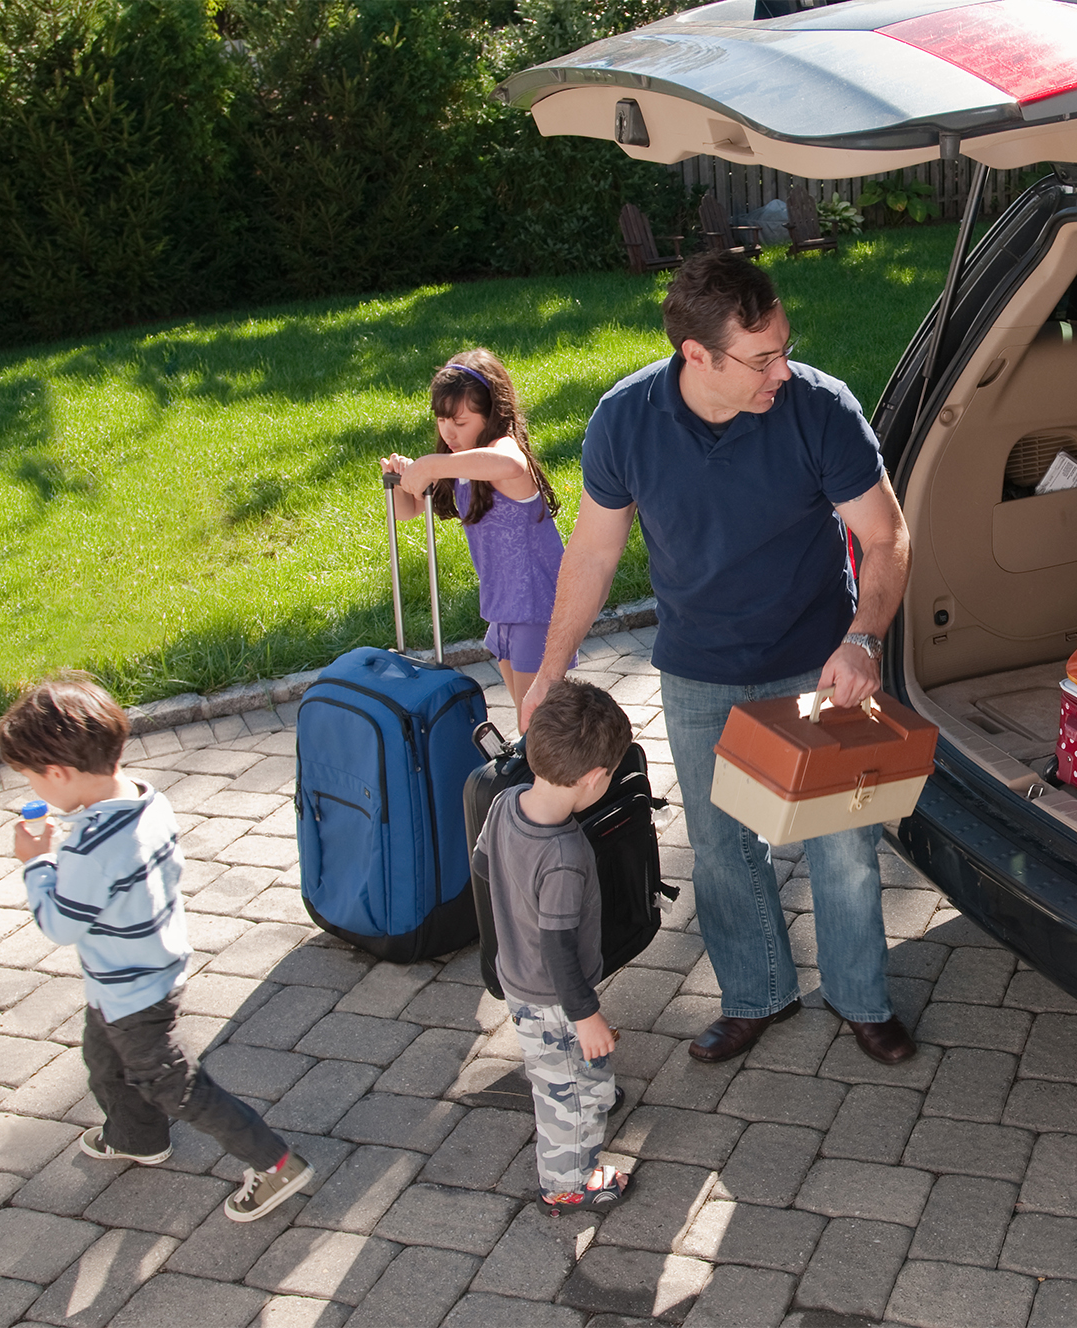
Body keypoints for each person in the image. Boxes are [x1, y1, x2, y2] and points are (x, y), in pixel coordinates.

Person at [519, 251, 916, 1067]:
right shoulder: (624, 421)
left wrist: (863, 638)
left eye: (783, 346)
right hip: (700, 665)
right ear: (696, 354)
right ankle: (757, 995)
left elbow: (886, 536)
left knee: (844, 848)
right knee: (725, 848)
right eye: (761, 357)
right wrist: (549, 674)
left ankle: (860, 997)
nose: (783, 368)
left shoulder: (818, 409)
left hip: (819, 661)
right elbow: (592, 556)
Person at [0, 673, 312, 1223]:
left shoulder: (89, 849)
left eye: (30, 779)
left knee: (173, 1084)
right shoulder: (143, 797)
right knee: (103, 1061)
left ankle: (275, 1162)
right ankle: (136, 1138)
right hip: (147, 967)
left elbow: (60, 924)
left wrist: (38, 863)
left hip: (131, 988)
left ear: (58, 773)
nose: (33, 792)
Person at [474, 677, 636, 1214]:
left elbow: (482, 867)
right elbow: (559, 950)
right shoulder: (563, 855)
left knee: (570, 1067)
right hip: (553, 997)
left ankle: (594, 1086)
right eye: (610, 774)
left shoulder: (507, 802)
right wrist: (586, 1014)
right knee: (566, 1091)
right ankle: (566, 1181)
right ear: (593, 779)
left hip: (517, 976)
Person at [382, 349, 569, 710]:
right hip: (504, 606)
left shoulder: (501, 453)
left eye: (461, 422)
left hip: (536, 605)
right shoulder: (462, 461)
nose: (448, 432)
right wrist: (403, 477)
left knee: (538, 720)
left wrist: (434, 464)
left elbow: (511, 464)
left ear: (492, 415)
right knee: (528, 717)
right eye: (441, 420)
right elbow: (408, 511)